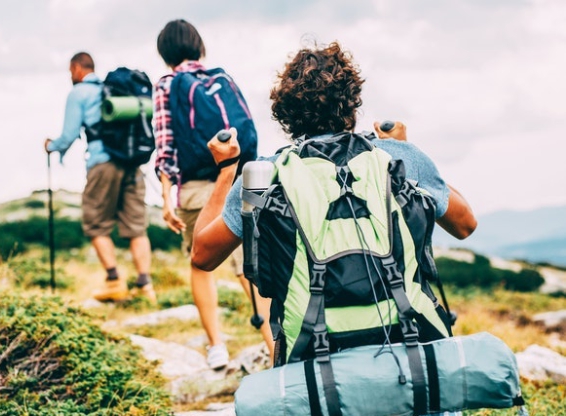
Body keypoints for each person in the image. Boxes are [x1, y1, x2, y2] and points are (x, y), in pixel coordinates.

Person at [190, 41, 475, 415]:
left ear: (285, 113)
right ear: (352, 103)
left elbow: (203, 255)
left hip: (314, 367)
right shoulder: (397, 157)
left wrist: (226, 170)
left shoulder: (265, 177)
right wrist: (410, 152)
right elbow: (465, 224)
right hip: (413, 357)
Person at [154, 19, 274, 370]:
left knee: (200, 262)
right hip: (237, 176)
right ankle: (275, 346)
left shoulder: (168, 85)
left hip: (194, 188)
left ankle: (217, 346)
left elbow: (165, 147)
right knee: (247, 267)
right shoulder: (222, 79)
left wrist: (166, 196)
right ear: (198, 46)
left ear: (165, 53)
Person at [45, 52, 155, 304]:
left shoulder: (79, 93)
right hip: (131, 163)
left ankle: (114, 281)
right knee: (136, 226)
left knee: (95, 223)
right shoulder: (112, 89)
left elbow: (69, 134)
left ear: (76, 68)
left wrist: (52, 147)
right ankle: (144, 286)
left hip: (102, 162)